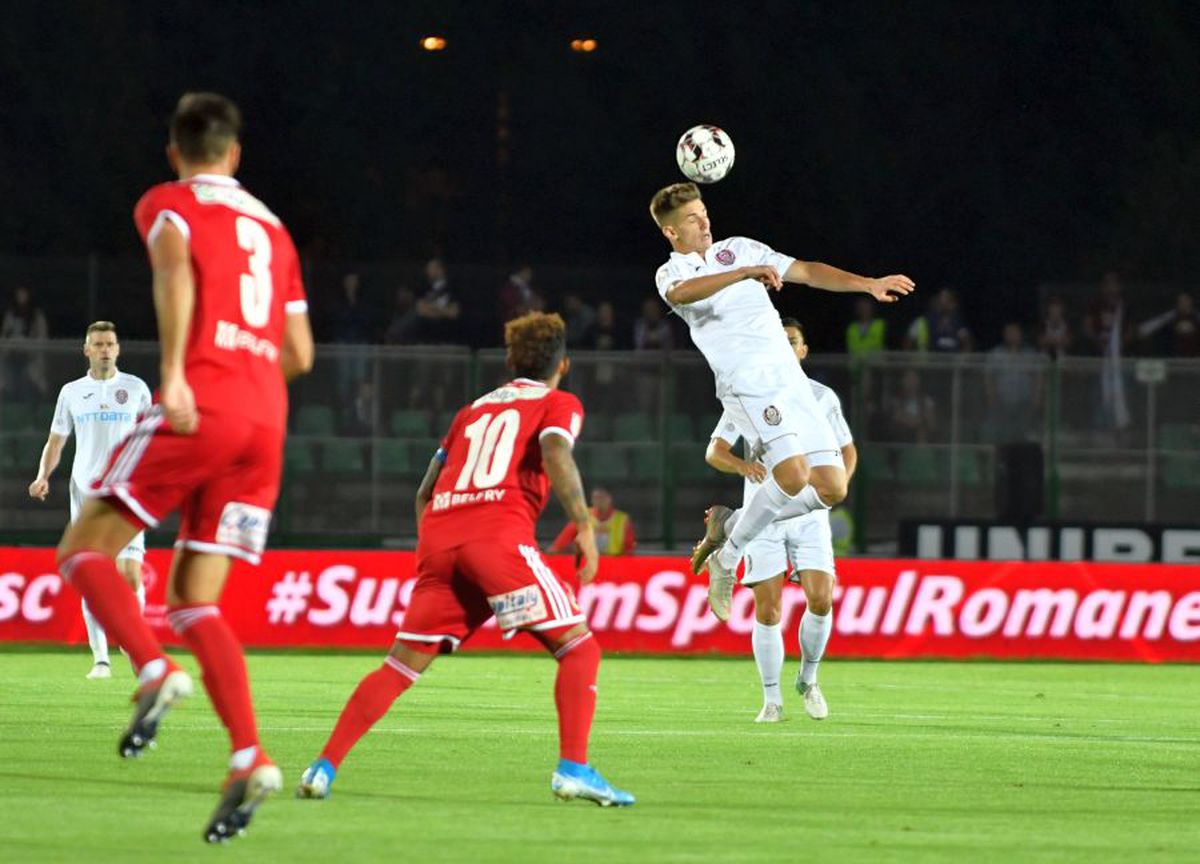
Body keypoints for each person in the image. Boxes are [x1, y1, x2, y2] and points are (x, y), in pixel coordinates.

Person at [53, 92, 314, 844]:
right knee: (195, 599)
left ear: (176, 153)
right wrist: (248, 385)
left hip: (201, 397)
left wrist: (175, 372)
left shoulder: (168, 203)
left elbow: (173, 268)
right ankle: (248, 754)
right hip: (266, 422)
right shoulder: (274, 227)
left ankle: (149, 669)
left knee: (80, 550)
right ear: (235, 153)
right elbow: (300, 354)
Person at [298, 312, 634, 807]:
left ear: (509, 361)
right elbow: (558, 453)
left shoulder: (469, 412)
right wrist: (584, 525)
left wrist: (437, 548)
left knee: (398, 667)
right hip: (497, 541)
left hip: (440, 544)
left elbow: (424, 492)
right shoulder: (558, 402)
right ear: (563, 364)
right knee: (579, 649)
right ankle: (574, 768)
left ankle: (321, 767)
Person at [649, 181, 912, 620]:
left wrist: (868, 284)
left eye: (704, 211)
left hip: (790, 381)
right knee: (792, 475)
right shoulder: (671, 273)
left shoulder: (741, 247)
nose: (705, 221)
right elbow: (683, 295)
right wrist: (744, 274)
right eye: (692, 219)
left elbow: (807, 271)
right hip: (748, 385)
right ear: (672, 232)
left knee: (831, 485)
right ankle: (728, 557)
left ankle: (729, 525)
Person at [705, 319, 854, 723]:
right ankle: (772, 700)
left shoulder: (822, 398)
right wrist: (741, 465)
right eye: (779, 341)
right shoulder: (749, 395)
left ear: (803, 351)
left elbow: (847, 451)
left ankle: (809, 679)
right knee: (768, 610)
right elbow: (714, 451)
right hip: (765, 512)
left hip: (807, 512)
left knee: (821, 598)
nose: (786, 348)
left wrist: (832, 488)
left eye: (793, 342)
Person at [29, 321, 153, 679]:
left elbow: (150, 439)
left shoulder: (136, 389)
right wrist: (42, 476)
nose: (104, 349)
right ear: (86, 349)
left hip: (127, 493)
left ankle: (136, 649)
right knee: (94, 574)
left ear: (118, 349)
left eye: (109, 343)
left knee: (130, 576)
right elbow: (56, 441)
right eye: (97, 343)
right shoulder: (72, 392)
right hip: (86, 493)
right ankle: (100, 659)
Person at [985, 322, 1042, 444]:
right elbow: (990, 377)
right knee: (1003, 434)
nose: (1012, 336)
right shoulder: (996, 354)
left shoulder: (1030, 354)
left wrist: (1036, 398)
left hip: (1024, 403)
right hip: (1002, 403)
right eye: (1009, 333)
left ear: (1020, 334)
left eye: (1015, 333)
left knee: (1021, 434)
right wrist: (992, 398)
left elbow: (1037, 377)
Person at [549, 487, 637, 556]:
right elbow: (561, 543)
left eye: (602, 497)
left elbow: (629, 549)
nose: (599, 501)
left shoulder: (622, 520)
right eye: (596, 498)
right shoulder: (583, 516)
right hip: (586, 563)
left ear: (610, 498)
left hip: (614, 563)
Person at [1, 284, 50, 400]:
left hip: (31, 356)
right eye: (19, 295)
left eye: (24, 294)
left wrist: (29, 345)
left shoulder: (36, 315)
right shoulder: (11, 314)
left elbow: (43, 337)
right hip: (12, 355)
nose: (21, 297)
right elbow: (5, 335)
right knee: (9, 381)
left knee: (32, 380)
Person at [415, 257, 462, 343]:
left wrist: (431, 308)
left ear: (440, 270)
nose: (427, 271)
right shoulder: (423, 288)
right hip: (427, 336)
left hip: (448, 335)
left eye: (431, 268)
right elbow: (421, 311)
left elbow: (453, 313)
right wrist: (444, 311)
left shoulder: (453, 288)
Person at [1138, 292, 1199, 358]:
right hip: (1174, 358)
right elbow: (1146, 328)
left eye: (1185, 300)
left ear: (1191, 302)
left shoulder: (1197, 317)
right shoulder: (1170, 317)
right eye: (1180, 301)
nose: (1183, 303)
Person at [887, 369, 938, 443]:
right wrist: (918, 420)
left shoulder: (926, 401)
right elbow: (897, 417)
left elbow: (932, 424)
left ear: (918, 381)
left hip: (921, 442)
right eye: (908, 378)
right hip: (902, 440)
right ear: (903, 381)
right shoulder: (897, 400)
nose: (911, 382)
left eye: (913, 378)